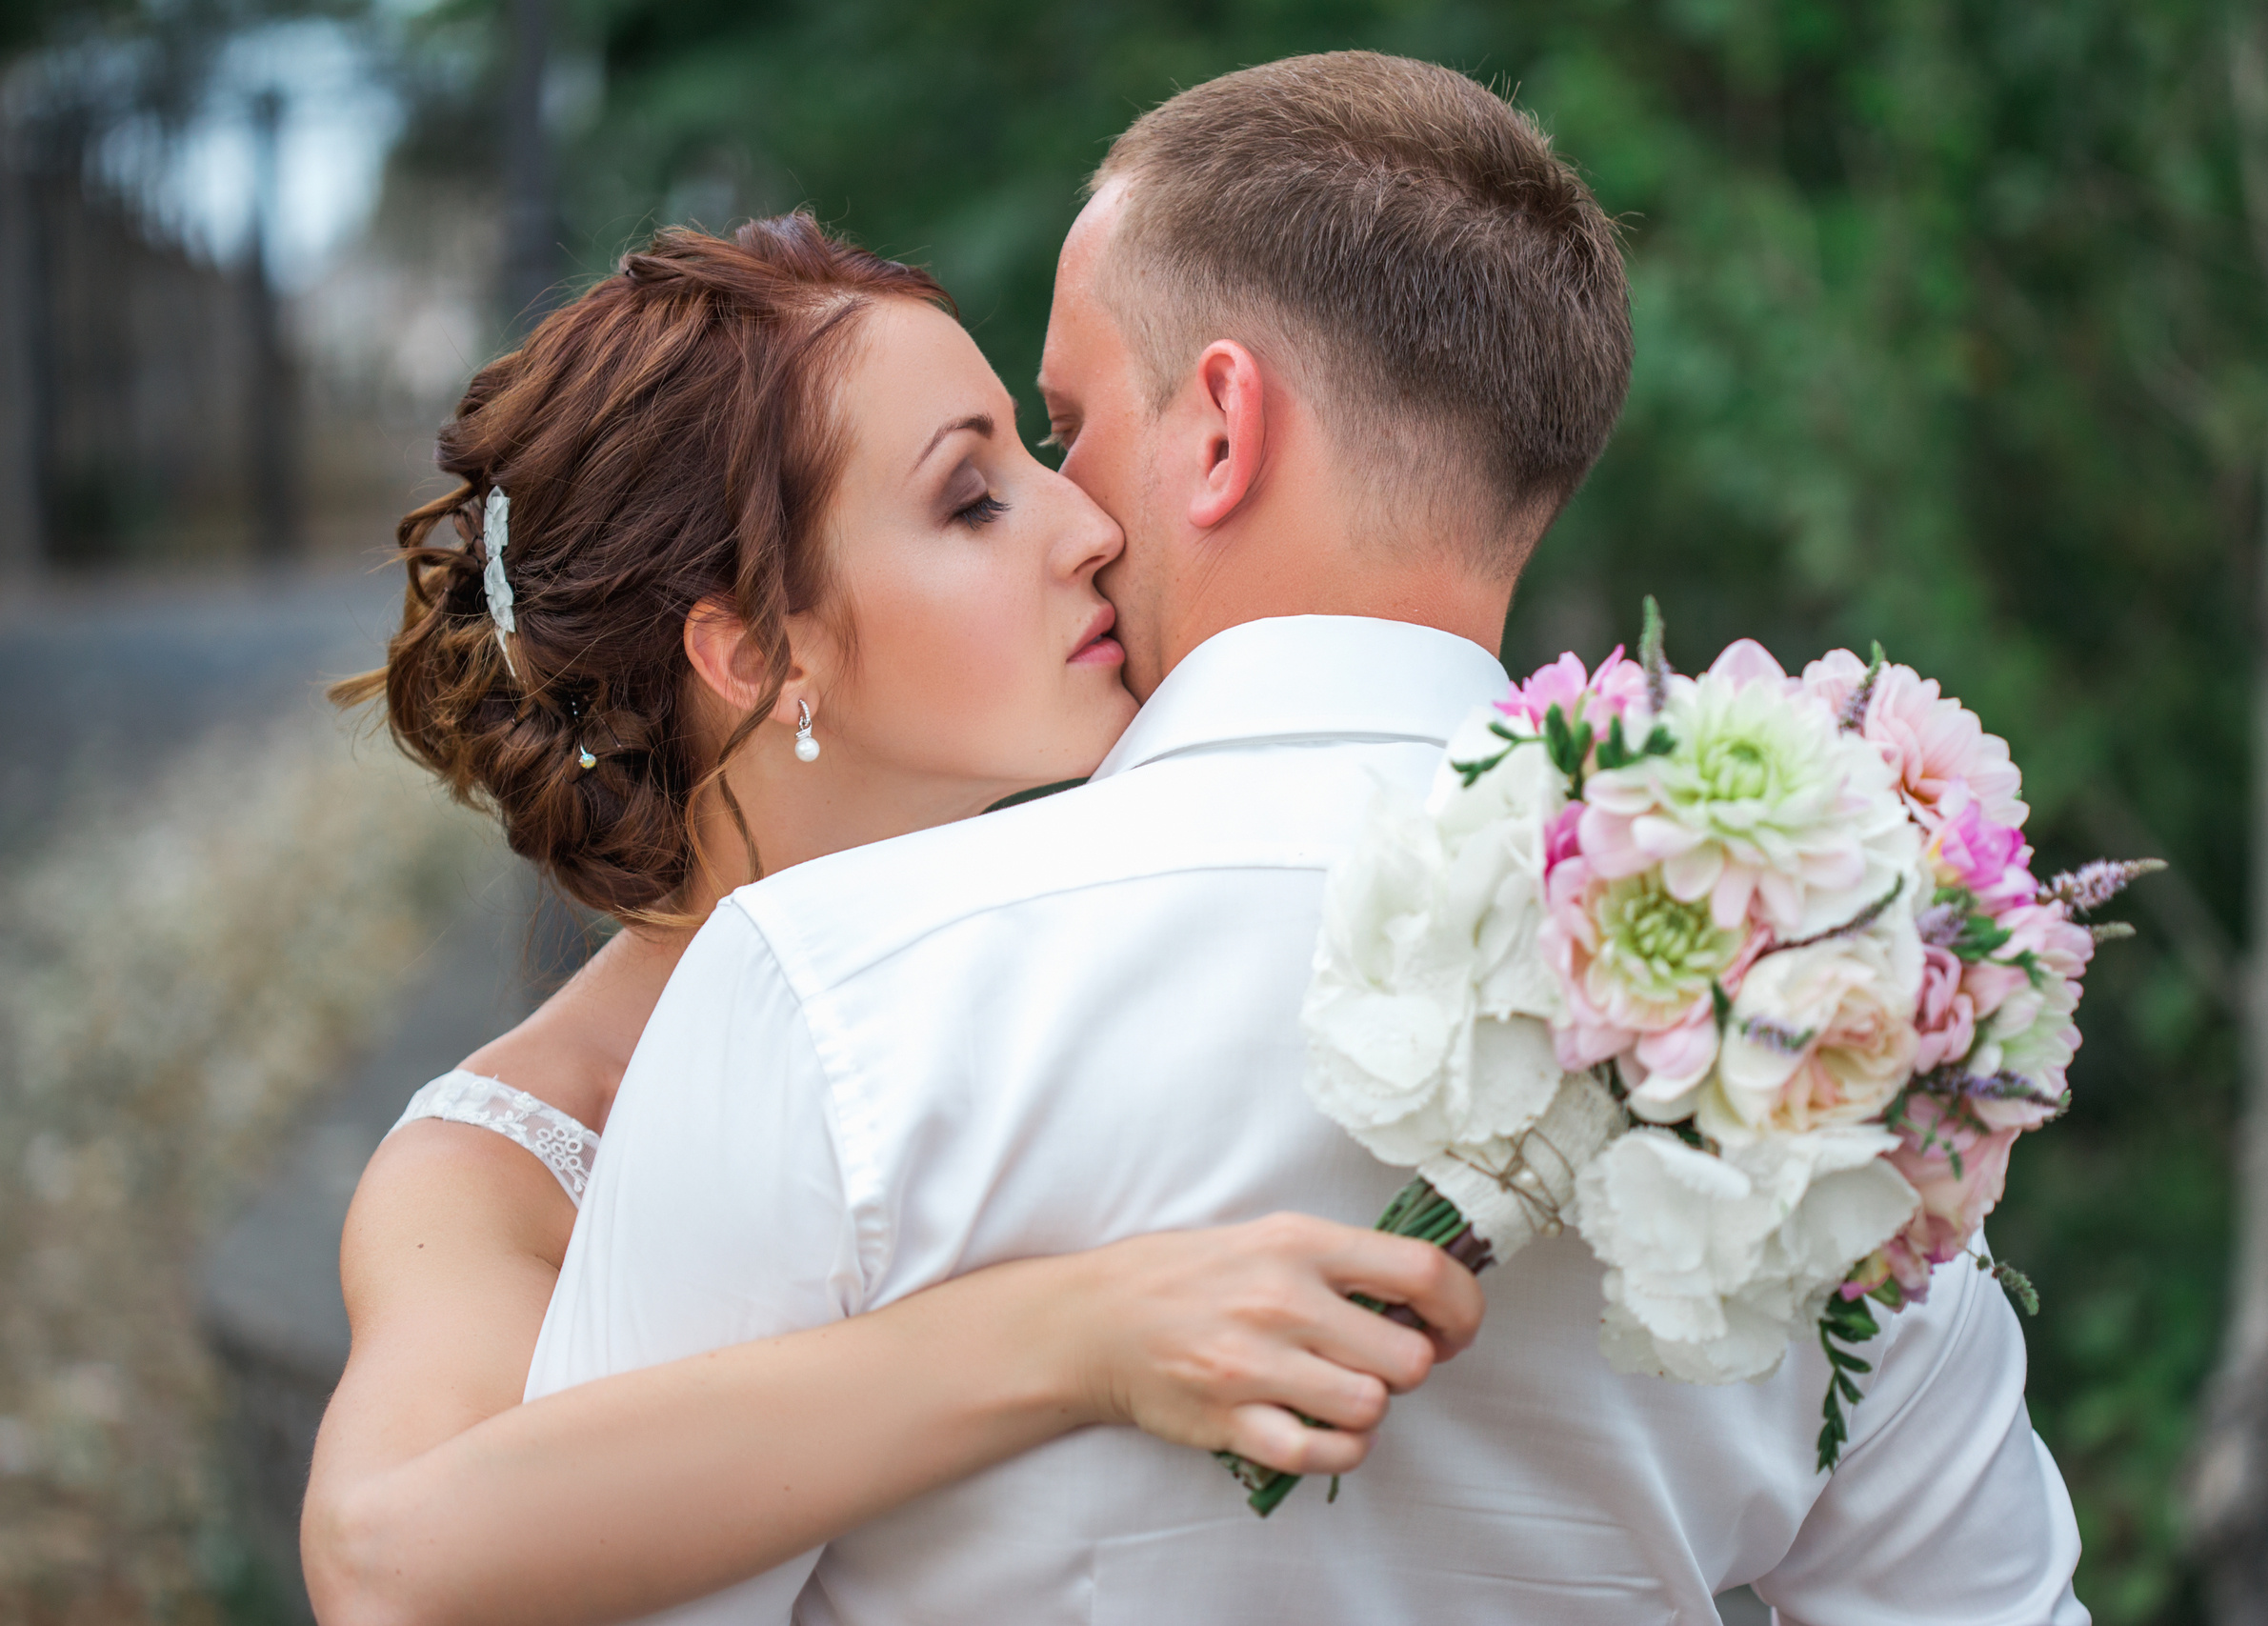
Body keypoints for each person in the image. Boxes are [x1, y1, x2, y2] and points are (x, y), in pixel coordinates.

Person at [533, 50, 2092, 1626]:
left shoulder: (826, 987)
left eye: (1067, 425)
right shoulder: (1826, 1052)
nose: (1071, 513)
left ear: (1222, 425)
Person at [301, 215, 1486, 1626]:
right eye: (972, 500)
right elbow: (386, 1561)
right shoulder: (494, 1166)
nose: (1092, 529)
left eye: (1035, 457)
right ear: (759, 651)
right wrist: (1077, 1337)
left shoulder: (1096, 961)